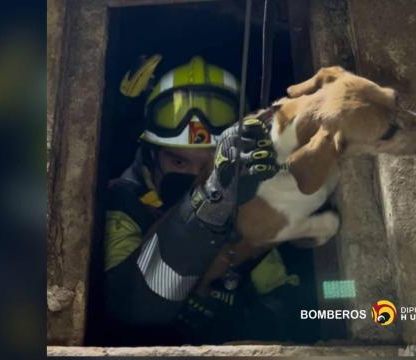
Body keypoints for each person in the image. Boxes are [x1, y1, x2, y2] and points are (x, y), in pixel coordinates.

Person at [99, 56, 318, 345]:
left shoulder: (249, 206)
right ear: (151, 155)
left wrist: (246, 320)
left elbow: (284, 299)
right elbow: (129, 304)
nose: (194, 176)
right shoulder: (123, 202)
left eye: (209, 165)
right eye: (179, 160)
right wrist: (210, 199)